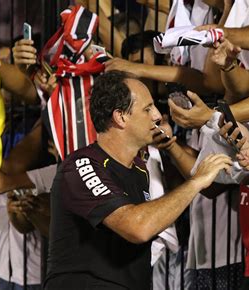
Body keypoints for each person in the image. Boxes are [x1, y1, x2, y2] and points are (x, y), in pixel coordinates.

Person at [44, 71, 232, 289]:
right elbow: (137, 228)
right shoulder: (82, 165)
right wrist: (196, 180)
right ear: (120, 117)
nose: (157, 116)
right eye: (147, 109)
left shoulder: (140, 170)